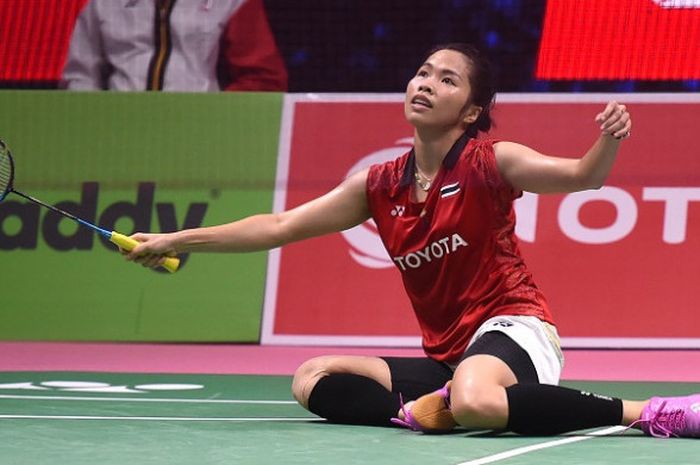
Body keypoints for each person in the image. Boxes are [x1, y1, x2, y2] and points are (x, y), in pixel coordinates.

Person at [125, 43, 699, 438]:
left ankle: (649, 411)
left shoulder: (490, 162)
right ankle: (434, 410)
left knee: (476, 399)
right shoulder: (378, 185)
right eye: (424, 72)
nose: (426, 83)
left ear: (472, 110)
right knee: (312, 378)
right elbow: (278, 226)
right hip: (449, 356)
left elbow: (582, 177)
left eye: (447, 80)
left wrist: (608, 140)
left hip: (516, 330)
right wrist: (179, 239)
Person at [61, 0, 287, 91]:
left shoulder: (229, 1)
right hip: (115, 130)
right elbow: (80, 77)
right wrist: (95, 121)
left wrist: (214, 117)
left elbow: (262, 79)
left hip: (197, 132)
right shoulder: (104, 3)